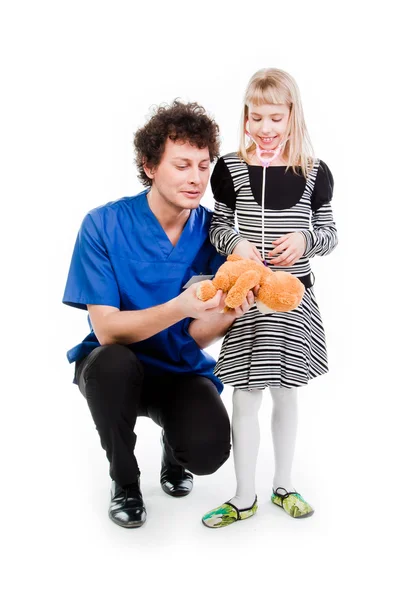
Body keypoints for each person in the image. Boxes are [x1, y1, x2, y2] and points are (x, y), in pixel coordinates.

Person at [62, 100, 256, 528]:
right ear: (150, 166)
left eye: (204, 166)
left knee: (208, 454)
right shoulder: (103, 225)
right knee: (112, 365)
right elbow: (108, 329)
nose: (196, 178)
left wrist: (231, 312)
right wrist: (179, 305)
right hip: (114, 366)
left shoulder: (214, 233)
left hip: (178, 370)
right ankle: (125, 482)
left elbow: (196, 335)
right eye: (182, 164)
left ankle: (174, 448)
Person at [201, 68, 338, 528]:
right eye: (255, 117)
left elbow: (329, 232)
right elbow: (217, 226)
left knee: (286, 393)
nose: (265, 128)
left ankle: (283, 484)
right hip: (247, 303)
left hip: (293, 303)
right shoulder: (231, 168)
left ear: (292, 115)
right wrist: (235, 244)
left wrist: (305, 238)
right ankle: (243, 496)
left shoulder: (313, 172)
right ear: (246, 116)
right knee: (244, 398)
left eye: (275, 118)